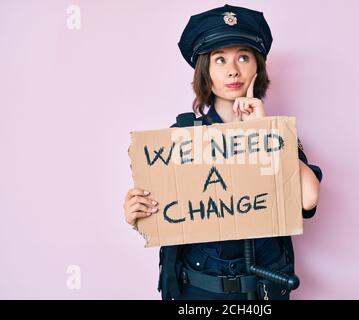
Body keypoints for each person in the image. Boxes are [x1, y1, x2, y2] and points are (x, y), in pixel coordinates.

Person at [123, 4, 323, 300]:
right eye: (220, 60)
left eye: (243, 57)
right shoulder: (182, 137)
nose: (233, 70)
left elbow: (308, 197)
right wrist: (135, 213)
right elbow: (162, 211)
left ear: (257, 67)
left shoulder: (275, 134)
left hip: (262, 290)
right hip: (198, 291)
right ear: (206, 71)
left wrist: (264, 132)